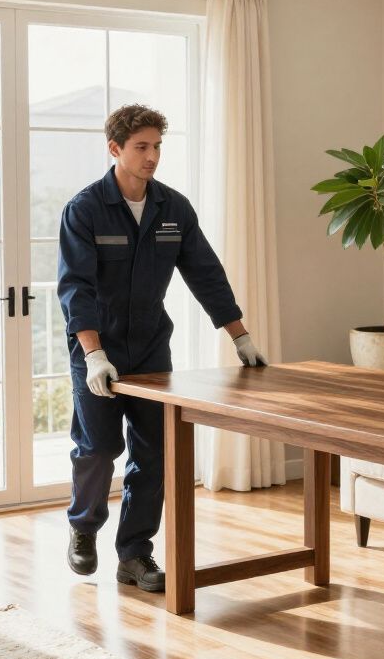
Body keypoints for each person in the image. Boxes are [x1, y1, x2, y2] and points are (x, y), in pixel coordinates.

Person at [57, 104, 266, 593]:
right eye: (141, 147)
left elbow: (206, 274)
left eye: (157, 147)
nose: (152, 157)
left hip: (151, 349)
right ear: (116, 149)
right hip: (98, 351)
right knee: (100, 446)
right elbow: (75, 288)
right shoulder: (85, 209)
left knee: (153, 453)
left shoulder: (173, 209)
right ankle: (83, 527)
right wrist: (93, 353)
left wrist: (241, 336)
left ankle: (134, 554)